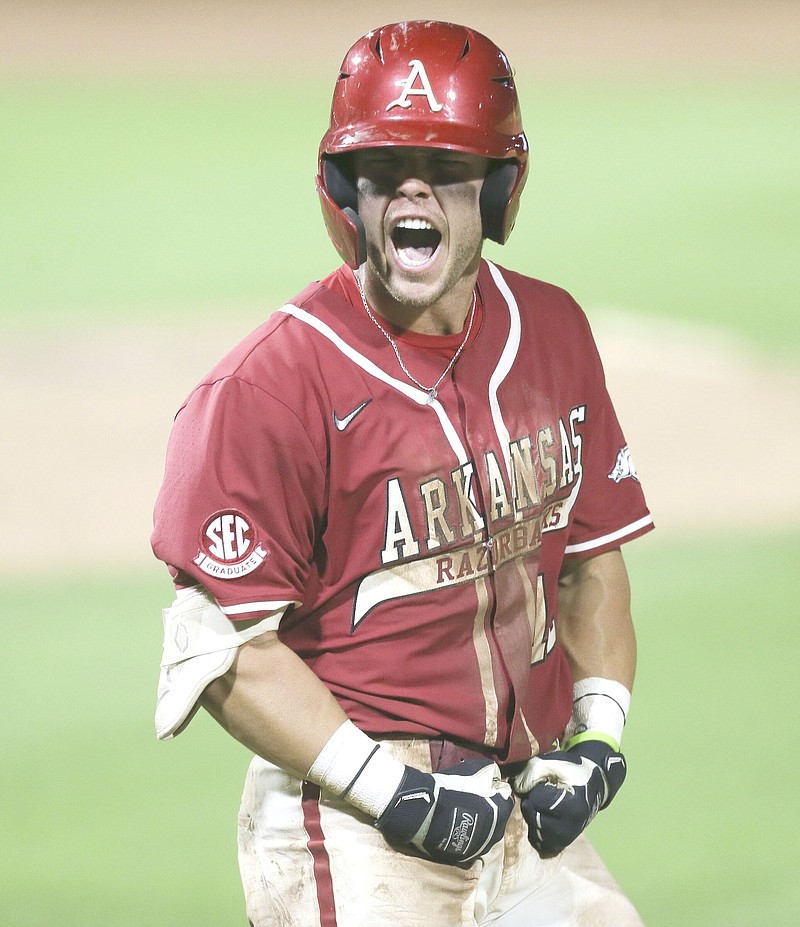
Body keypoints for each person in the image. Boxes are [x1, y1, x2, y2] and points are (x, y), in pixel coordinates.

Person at [152, 20, 654, 927]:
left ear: (500, 188)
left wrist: (598, 735)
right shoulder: (269, 386)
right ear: (346, 194)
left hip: (519, 811)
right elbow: (223, 653)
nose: (412, 188)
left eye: (446, 164)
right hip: (348, 822)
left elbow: (589, 559)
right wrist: (393, 791)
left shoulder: (553, 332)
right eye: (384, 167)